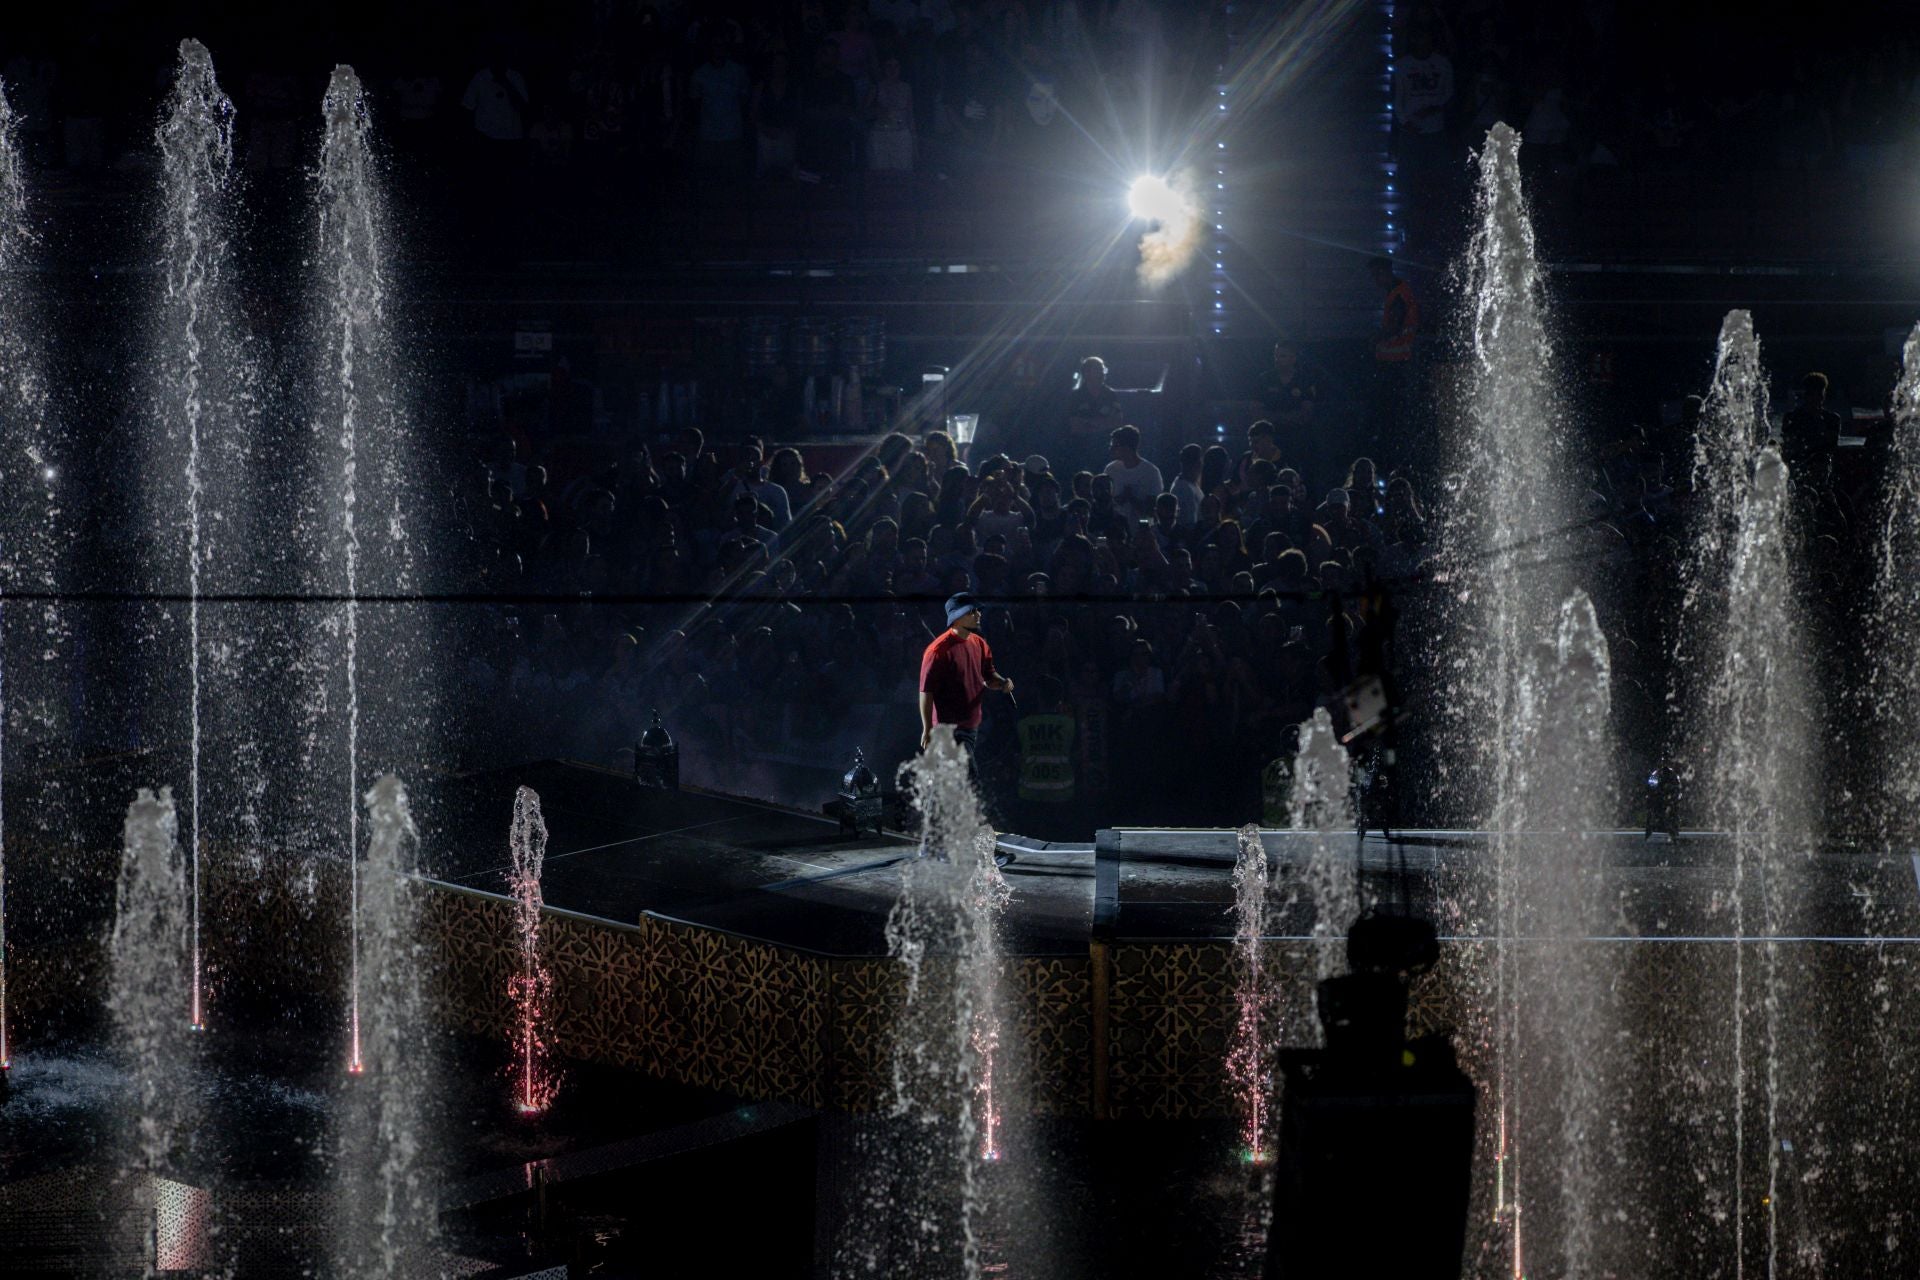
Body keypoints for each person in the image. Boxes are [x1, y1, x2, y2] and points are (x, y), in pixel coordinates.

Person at [919, 591, 1014, 761]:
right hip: (948, 729)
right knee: (969, 779)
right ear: (957, 617)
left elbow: (988, 675)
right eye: (972, 611)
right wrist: (927, 729)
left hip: (973, 726)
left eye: (978, 610)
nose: (978, 614)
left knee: (958, 781)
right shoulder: (938, 651)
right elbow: (926, 691)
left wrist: (1002, 683)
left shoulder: (979, 643)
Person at [1104, 424, 1164, 525]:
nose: (1111, 449)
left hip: (1143, 531)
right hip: (1117, 531)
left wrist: (1131, 498)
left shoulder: (1151, 472)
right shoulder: (1110, 469)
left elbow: (1152, 511)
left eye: (1115, 446)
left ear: (1127, 447)